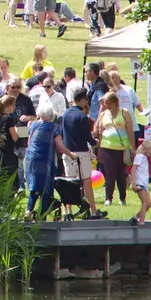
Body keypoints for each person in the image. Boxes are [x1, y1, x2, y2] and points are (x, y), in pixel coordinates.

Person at [60, 86, 102, 217]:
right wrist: (95, 142)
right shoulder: (82, 115)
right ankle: (93, 210)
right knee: (86, 181)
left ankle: (68, 211)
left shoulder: (65, 114)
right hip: (81, 153)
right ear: (83, 100)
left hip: (68, 152)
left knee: (69, 182)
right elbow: (87, 136)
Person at [23, 99, 66, 222]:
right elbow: (60, 146)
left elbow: (29, 142)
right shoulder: (54, 127)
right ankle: (42, 216)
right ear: (51, 115)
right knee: (46, 187)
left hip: (30, 158)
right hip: (45, 159)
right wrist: (71, 154)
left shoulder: (33, 125)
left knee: (34, 185)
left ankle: (29, 210)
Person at [94, 90, 132, 207]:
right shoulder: (103, 114)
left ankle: (122, 198)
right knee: (110, 174)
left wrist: (132, 147)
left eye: (108, 103)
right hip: (107, 147)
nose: (106, 105)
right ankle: (108, 198)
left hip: (121, 148)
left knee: (121, 174)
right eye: (105, 103)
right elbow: (97, 131)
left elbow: (130, 131)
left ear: (115, 102)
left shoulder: (124, 113)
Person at [131, 139, 151, 225]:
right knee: (145, 203)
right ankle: (141, 222)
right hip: (140, 183)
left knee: (148, 204)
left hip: (145, 184)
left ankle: (136, 217)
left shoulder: (144, 157)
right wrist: (134, 183)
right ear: (148, 149)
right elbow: (133, 170)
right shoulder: (139, 156)